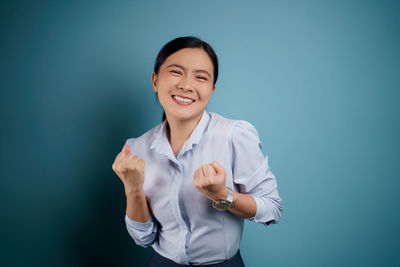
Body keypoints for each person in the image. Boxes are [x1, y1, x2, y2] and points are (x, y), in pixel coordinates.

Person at [112, 36, 283, 266]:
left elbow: (272, 209)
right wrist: (132, 188)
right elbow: (144, 238)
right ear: (155, 81)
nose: (186, 85)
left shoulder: (234, 135)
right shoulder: (137, 148)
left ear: (211, 90)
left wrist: (223, 195)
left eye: (200, 77)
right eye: (176, 72)